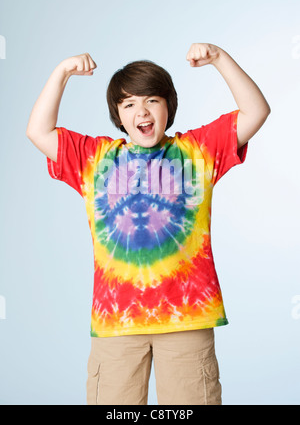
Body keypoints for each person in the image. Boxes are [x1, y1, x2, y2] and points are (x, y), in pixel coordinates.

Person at [26, 43, 270, 405]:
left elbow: (256, 111)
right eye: (129, 104)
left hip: (187, 318)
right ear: (118, 117)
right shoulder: (96, 159)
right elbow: (39, 132)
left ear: (168, 106)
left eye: (152, 99)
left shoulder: (197, 151)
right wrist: (62, 72)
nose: (142, 110)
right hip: (117, 324)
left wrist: (219, 58)